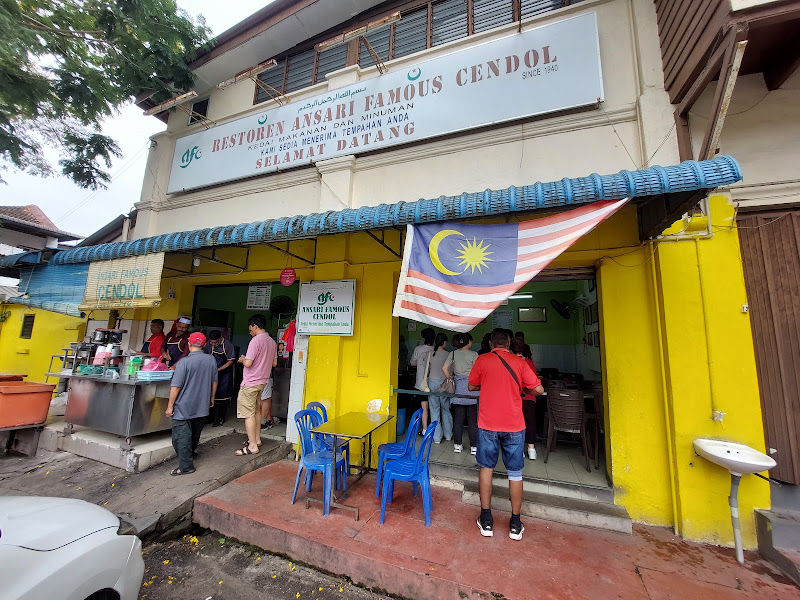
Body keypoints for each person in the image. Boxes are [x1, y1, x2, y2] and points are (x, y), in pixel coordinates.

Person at [469, 329, 543, 541]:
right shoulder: (520, 362)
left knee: (486, 468)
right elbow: (538, 389)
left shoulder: (482, 360)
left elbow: (471, 385)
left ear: (492, 342)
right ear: (509, 342)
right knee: (515, 473)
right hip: (514, 425)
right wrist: (522, 390)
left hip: (488, 424)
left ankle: (486, 519)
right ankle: (515, 523)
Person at [165, 332, 218, 476]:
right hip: (202, 405)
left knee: (180, 438)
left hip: (183, 407)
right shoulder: (211, 360)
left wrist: (170, 406)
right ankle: (190, 454)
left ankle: (186, 466)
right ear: (204, 345)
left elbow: (175, 387)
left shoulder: (184, 362)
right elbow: (214, 381)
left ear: (188, 345)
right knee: (194, 434)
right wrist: (211, 398)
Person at [235, 314, 276, 456]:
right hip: (262, 381)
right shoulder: (272, 341)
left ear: (255, 326)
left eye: (250, 329)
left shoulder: (255, 341)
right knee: (256, 412)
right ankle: (257, 439)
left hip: (251, 382)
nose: (250, 331)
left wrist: (242, 359)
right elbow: (274, 363)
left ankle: (252, 446)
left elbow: (249, 363)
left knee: (248, 414)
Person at [445, 332, 479, 454]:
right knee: (472, 420)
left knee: (458, 419)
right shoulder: (474, 354)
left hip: (458, 389)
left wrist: (450, 378)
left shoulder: (452, 353)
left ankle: (457, 445)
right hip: (471, 389)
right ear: (468, 342)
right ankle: (474, 447)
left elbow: (445, 368)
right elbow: (478, 371)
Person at [511, 338, 539, 460]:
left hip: (515, 398)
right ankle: (531, 449)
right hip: (530, 397)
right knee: (530, 422)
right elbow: (534, 381)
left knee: (517, 424)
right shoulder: (529, 362)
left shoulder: (510, 362)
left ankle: (519, 449)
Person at [204, 330, 235, 427]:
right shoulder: (208, 345)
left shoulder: (228, 345)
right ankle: (211, 417)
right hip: (211, 374)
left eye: (215, 342)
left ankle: (220, 418)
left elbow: (230, 361)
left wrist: (219, 369)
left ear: (220, 338)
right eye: (211, 342)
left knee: (222, 397)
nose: (213, 344)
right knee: (211, 395)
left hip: (224, 374)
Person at [427, 332, 453, 444]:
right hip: (444, 384)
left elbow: (427, 370)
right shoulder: (449, 354)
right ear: (444, 342)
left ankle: (437, 438)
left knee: (434, 410)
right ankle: (448, 435)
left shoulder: (430, 353)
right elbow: (450, 370)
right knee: (446, 409)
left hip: (432, 383)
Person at [409, 327, 435, 433]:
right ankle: (436, 430)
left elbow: (412, 363)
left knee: (424, 405)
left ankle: (424, 429)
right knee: (435, 406)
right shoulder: (435, 350)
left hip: (421, 382)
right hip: (433, 381)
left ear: (423, 338)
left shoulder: (418, 349)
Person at [260, 351, 279, 429]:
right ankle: (265, 421)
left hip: (261, 377)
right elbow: (274, 364)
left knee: (264, 399)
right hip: (265, 377)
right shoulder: (270, 349)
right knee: (265, 399)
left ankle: (265, 421)